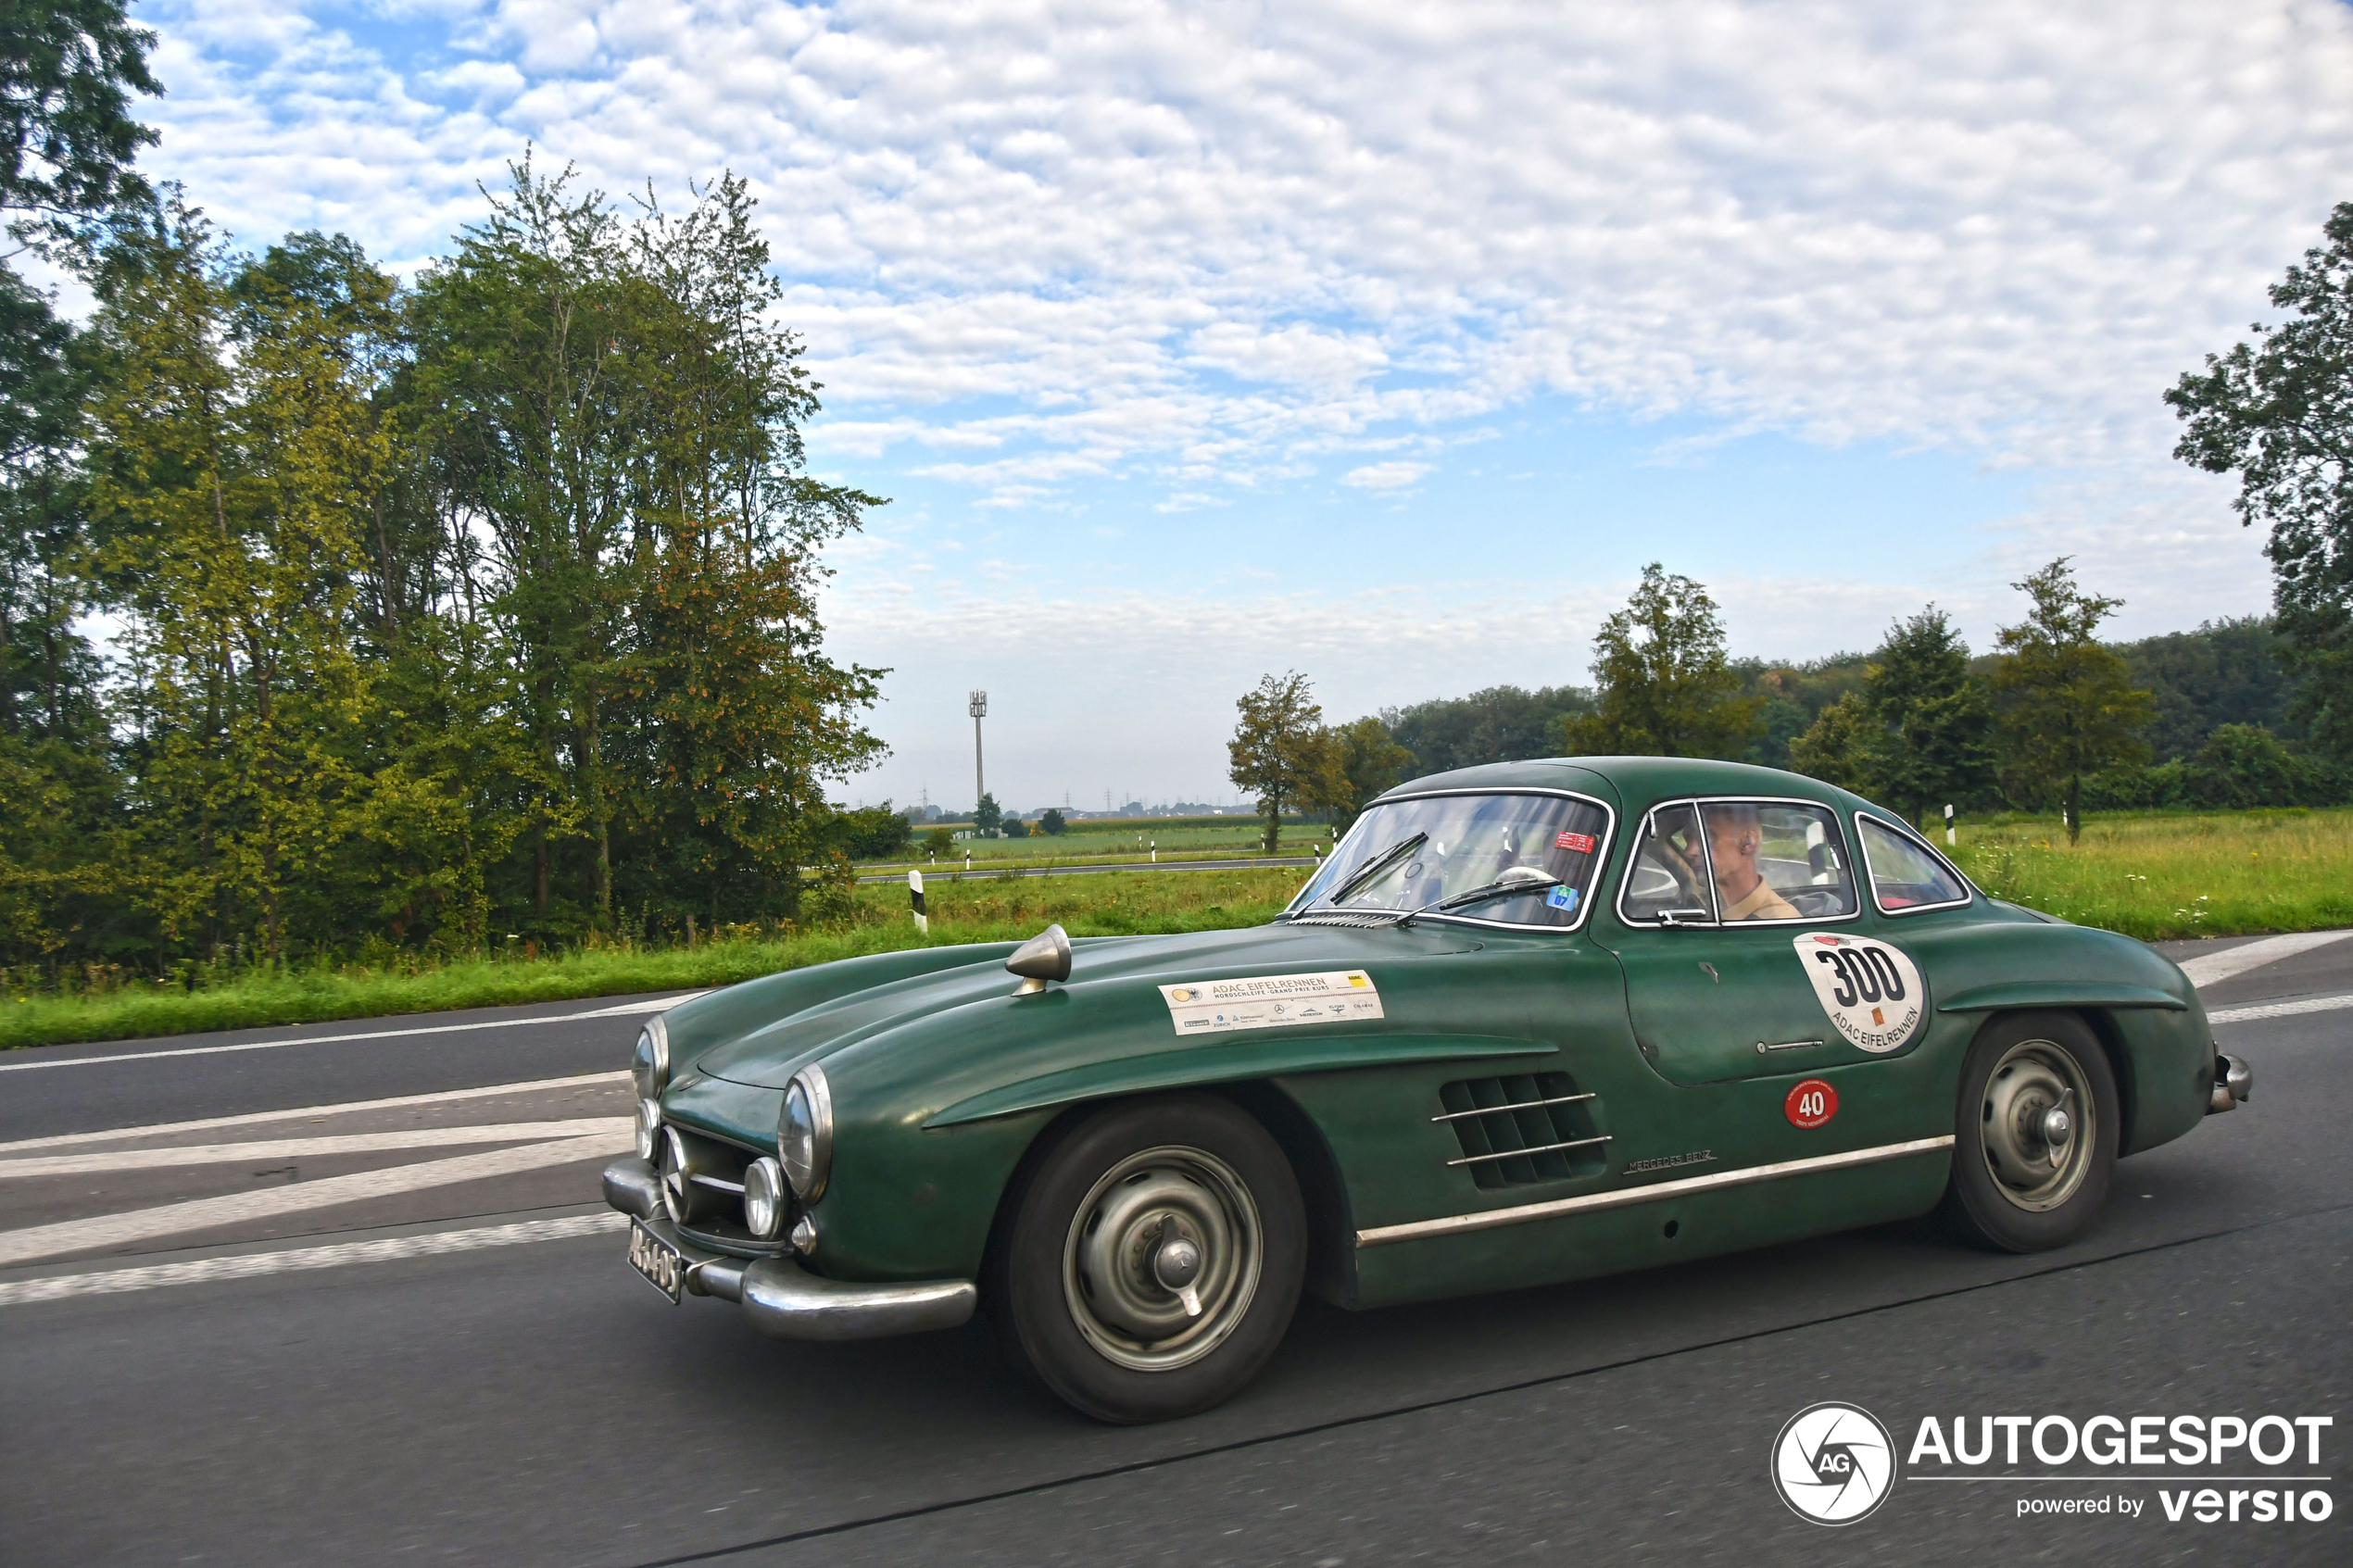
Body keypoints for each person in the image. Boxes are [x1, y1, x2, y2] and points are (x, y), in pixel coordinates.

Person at [1705, 803, 1798, 921]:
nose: (1690, 851)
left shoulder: (1778, 921)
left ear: (1747, 842)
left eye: (1708, 838)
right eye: (1688, 839)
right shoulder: (1702, 902)